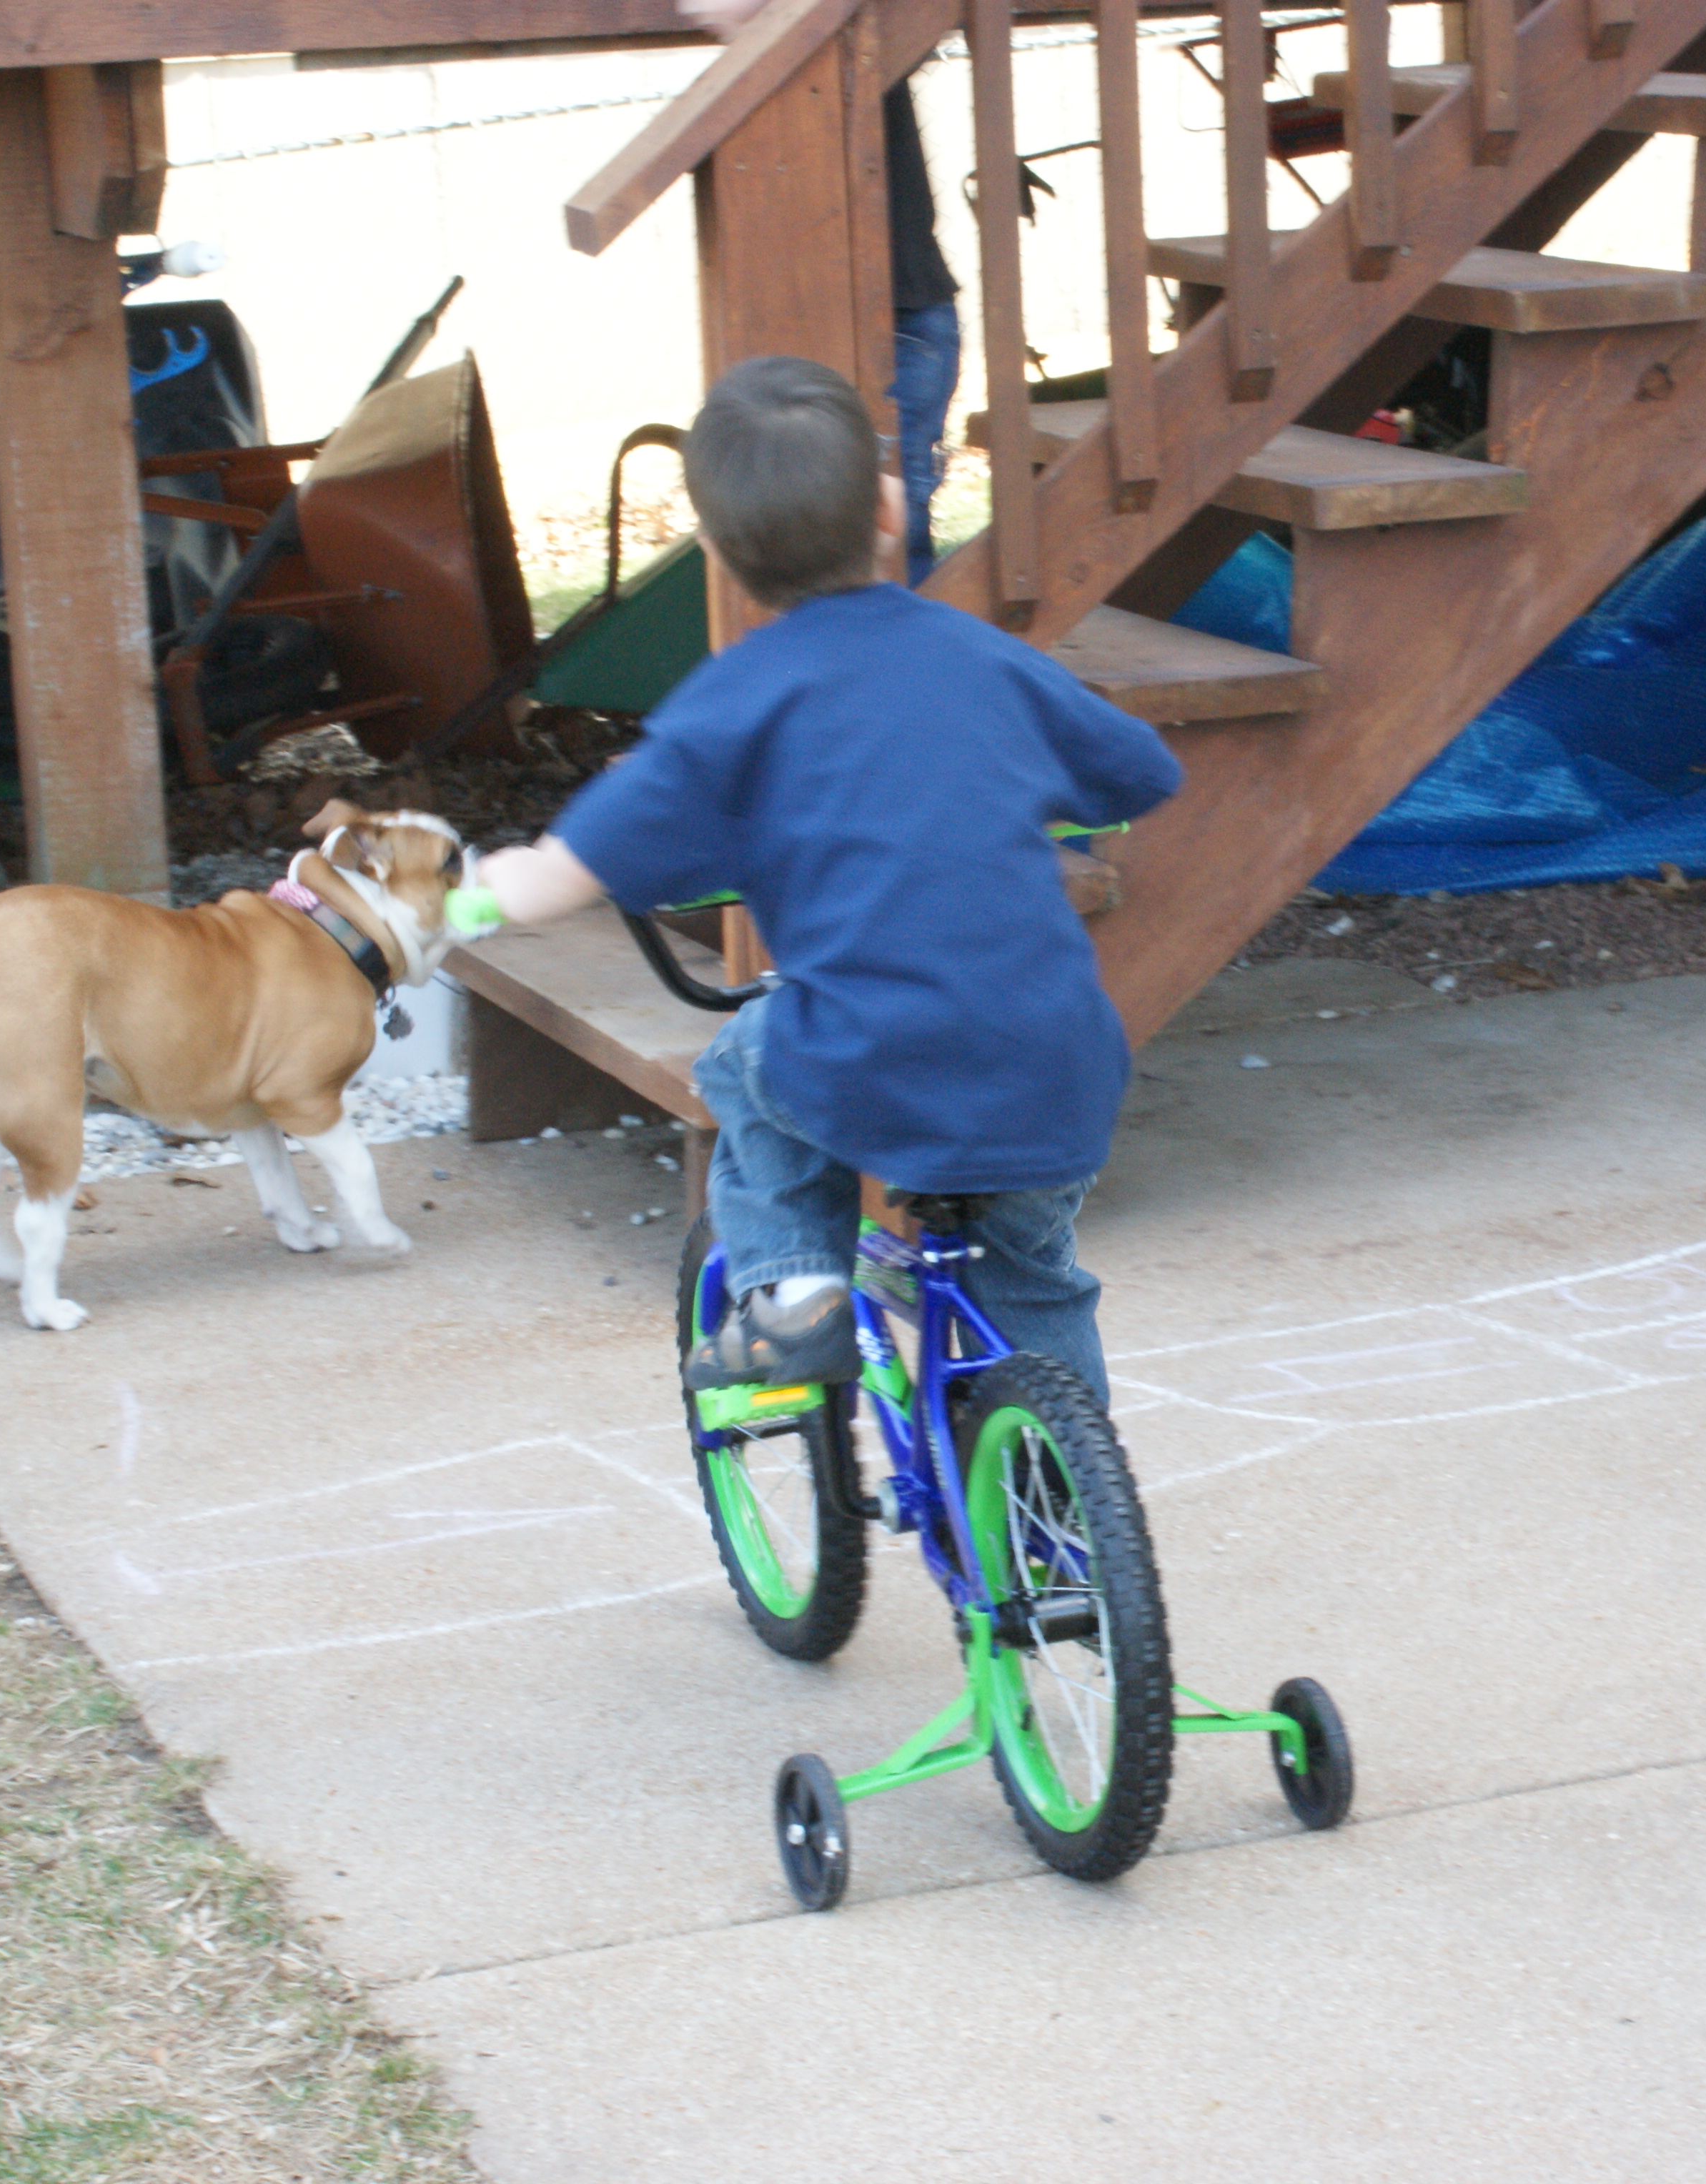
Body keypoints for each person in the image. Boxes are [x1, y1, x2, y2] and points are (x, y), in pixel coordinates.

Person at [445, 357, 1181, 1401]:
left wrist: (484, 890)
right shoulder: (985, 659)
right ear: (889, 509)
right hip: (1054, 1054)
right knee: (1032, 1276)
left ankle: (797, 1296)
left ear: (714, 552)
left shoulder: (731, 702)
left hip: (871, 1055)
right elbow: (1140, 772)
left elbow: (565, 875)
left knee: (742, 1070)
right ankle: (1060, 1495)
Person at [683, 0, 961, 585]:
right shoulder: (787, 61)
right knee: (847, 529)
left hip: (903, 322)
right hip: (853, 322)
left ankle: (892, 639)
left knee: (891, 523)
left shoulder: (849, 33)